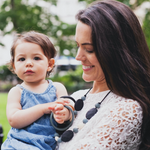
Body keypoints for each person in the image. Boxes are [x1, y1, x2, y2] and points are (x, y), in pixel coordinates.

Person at [57, 0, 150, 149]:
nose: (78, 56)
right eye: (78, 46)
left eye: (89, 49)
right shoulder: (76, 97)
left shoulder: (126, 110)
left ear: (116, 52)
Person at [1, 31, 72, 150]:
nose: (28, 63)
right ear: (14, 66)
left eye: (36, 58)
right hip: (19, 144)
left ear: (49, 64)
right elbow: (14, 120)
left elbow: (68, 111)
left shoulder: (57, 88)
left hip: (49, 144)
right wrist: (44, 108)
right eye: (22, 59)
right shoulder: (17, 92)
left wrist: (64, 115)